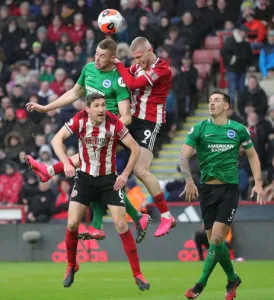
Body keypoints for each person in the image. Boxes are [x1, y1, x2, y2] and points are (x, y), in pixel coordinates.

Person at [25, 39, 152, 243]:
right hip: (92, 130)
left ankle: (50, 172)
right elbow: (74, 93)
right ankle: (137, 217)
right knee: (98, 176)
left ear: (112, 58)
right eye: (95, 54)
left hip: (111, 133)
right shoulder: (89, 69)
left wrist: (110, 130)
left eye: (102, 56)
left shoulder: (119, 78)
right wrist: (46, 107)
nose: (96, 58)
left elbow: (126, 115)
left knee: (91, 171)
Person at [51, 93, 149, 290]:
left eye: (103, 105)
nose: (101, 109)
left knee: (121, 224)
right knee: (72, 224)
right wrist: (65, 163)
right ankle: (71, 266)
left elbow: (135, 148)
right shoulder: (79, 119)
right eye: (96, 106)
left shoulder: (114, 123)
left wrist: (125, 174)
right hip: (85, 179)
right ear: (88, 109)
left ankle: (138, 274)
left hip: (108, 180)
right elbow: (56, 140)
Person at [179, 90, 264, 300]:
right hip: (207, 190)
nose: (211, 103)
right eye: (209, 100)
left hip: (229, 189)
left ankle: (199, 285)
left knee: (217, 238)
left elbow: (253, 156)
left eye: (216, 100)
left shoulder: (238, 129)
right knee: (214, 244)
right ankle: (233, 278)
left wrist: (258, 183)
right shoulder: (199, 128)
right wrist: (189, 180)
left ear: (226, 106)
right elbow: (183, 156)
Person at [113, 37, 176, 237]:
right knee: (99, 148)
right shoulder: (138, 66)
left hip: (149, 122)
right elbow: (122, 79)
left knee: (140, 170)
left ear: (150, 50)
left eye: (140, 57)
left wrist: (118, 64)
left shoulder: (162, 70)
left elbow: (130, 84)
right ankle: (53, 168)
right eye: (134, 58)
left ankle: (166, 215)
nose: (137, 61)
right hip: (132, 119)